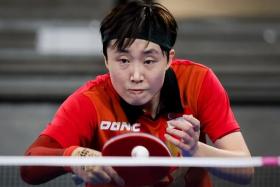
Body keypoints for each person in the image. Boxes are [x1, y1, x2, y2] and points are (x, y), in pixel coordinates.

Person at [20, 1, 254, 186]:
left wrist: (195, 151)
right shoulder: (90, 101)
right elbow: (29, 167)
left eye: (149, 60)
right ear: (106, 60)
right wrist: (74, 157)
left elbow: (245, 170)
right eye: (123, 60)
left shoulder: (198, 82)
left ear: (168, 60)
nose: (135, 75)